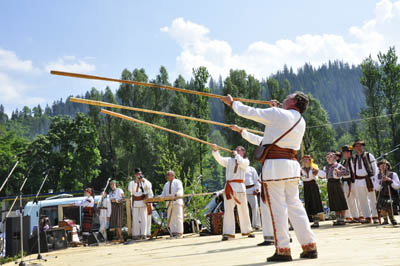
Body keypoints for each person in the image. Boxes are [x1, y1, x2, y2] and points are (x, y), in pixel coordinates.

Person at [221, 92, 317, 261]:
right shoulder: (300, 120)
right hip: (291, 167)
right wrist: (244, 131)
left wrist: (233, 103)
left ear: (294, 101)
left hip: (275, 167)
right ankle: (309, 246)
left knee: (278, 208)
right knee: (295, 206)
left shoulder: (278, 114)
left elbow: (251, 112)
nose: (285, 97)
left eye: (289, 96)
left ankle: (283, 249)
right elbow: (267, 139)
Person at [229, 125, 275, 246]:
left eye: (240, 150)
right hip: (242, 188)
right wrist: (241, 131)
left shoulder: (247, 164)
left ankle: (258, 226)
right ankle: (267, 234)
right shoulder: (234, 163)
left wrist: (241, 130)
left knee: (258, 208)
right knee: (259, 209)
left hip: (253, 188)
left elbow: (256, 180)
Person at [211, 145, 255, 241]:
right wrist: (215, 150)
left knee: (243, 210)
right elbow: (219, 159)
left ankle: (247, 230)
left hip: (240, 188)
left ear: (243, 152)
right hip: (230, 188)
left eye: (240, 150)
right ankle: (228, 233)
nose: (238, 151)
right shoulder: (229, 161)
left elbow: (240, 162)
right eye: (237, 149)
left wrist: (236, 155)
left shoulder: (245, 161)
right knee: (228, 210)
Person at [318, 152, 349, 226]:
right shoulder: (326, 167)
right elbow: (324, 175)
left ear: (334, 158)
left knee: (340, 200)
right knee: (334, 200)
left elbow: (347, 173)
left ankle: (342, 218)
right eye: (327, 157)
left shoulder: (339, 165)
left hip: (337, 183)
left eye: (330, 157)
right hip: (330, 184)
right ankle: (338, 218)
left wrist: (339, 172)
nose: (328, 159)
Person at [352, 140, 379, 224]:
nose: (359, 148)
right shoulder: (354, 157)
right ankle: (367, 217)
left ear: (363, 146)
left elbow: (375, 168)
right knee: (362, 200)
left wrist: (375, 179)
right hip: (358, 180)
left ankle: (375, 216)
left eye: (360, 146)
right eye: (357, 146)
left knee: (372, 198)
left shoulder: (368, 155)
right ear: (355, 148)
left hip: (368, 179)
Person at [128, 168, 153, 240]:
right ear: (135, 175)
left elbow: (149, 186)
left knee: (144, 218)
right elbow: (130, 189)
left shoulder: (144, 181)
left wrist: (143, 180)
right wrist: (136, 182)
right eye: (137, 174)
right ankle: (136, 234)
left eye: (139, 174)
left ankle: (143, 234)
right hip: (135, 202)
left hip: (142, 201)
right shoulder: (132, 182)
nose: (138, 175)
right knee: (135, 218)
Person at [300, 155, 323, 228]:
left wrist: (315, 171)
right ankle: (313, 220)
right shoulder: (301, 169)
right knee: (309, 202)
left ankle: (316, 221)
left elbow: (320, 175)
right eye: (304, 160)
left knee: (314, 202)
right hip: (306, 186)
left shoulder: (314, 168)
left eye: (307, 159)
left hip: (313, 186)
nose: (305, 161)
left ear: (310, 160)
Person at [160, 170, 184, 237]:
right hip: (169, 202)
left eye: (168, 175)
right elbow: (163, 194)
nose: (167, 176)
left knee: (178, 217)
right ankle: (173, 232)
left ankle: (179, 232)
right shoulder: (166, 184)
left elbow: (180, 190)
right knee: (171, 217)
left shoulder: (178, 182)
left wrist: (177, 194)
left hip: (176, 201)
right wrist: (158, 197)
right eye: (167, 175)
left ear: (172, 175)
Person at [375, 160, 399, 225]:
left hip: (392, 194)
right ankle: (385, 219)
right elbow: (377, 188)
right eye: (381, 165)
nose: (383, 166)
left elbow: (397, 186)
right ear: (379, 167)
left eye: (384, 165)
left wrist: (390, 180)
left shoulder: (393, 174)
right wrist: (381, 182)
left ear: (388, 166)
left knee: (389, 203)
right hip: (382, 195)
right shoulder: (377, 176)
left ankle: (392, 218)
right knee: (381, 203)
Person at [340, 145, 360, 223]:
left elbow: (353, 172)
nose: (345, 154)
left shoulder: (353, 159)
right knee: (350, 200)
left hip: (353, 182)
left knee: (357, 199)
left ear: (350, 152)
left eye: (347, 152)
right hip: (346, 182)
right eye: (344, 152)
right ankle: (354, 216)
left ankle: (360, 216)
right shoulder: (344, 161)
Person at [245, 166, 262, 230]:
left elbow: (256, 180)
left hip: (251, 190)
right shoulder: (238, 168)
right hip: (242, 191)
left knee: (255, 208)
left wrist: (257, 189)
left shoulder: (251, 169)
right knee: (243, 209)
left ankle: (256, 225)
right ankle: (245, 227)